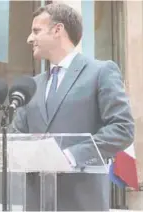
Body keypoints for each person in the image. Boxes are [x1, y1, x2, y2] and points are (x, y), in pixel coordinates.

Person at [10, 3, 134, 211]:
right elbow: (16, 135)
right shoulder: (31, 85)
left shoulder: (100, 72)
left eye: (36, 31)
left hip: (81, 202)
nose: (30, 39)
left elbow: (122, 128)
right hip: (36, 202)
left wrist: (70, 156)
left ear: (58, 30)